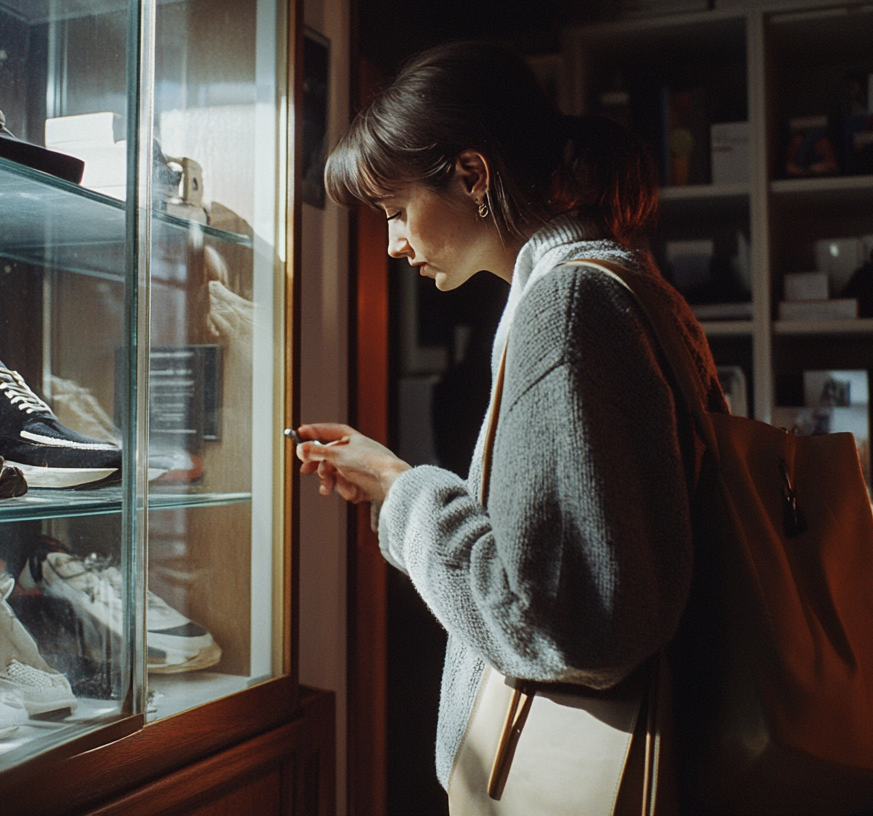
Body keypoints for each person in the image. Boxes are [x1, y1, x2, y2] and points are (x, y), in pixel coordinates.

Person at [292, 41, 728, 803]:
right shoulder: (628, 282)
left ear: (472, 175)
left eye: (397, 211)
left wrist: (403, 494)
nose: (394, 243)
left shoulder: (564, 310)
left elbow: (559, 627)